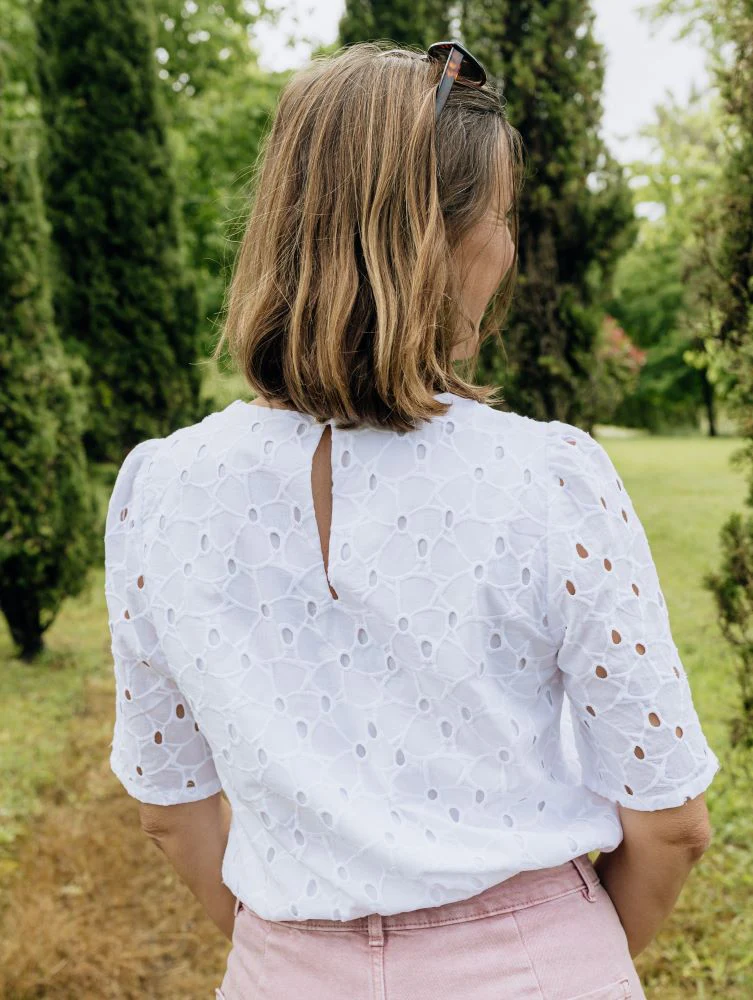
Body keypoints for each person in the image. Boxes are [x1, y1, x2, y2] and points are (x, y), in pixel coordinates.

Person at [104, 39, 720, 1000]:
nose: (507, 248)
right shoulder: (548, 478)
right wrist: (561, 958)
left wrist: (300, 956)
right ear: (440, 240)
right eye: (502, 217)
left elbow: (168, 808)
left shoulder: (160, 489)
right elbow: (672, 824)